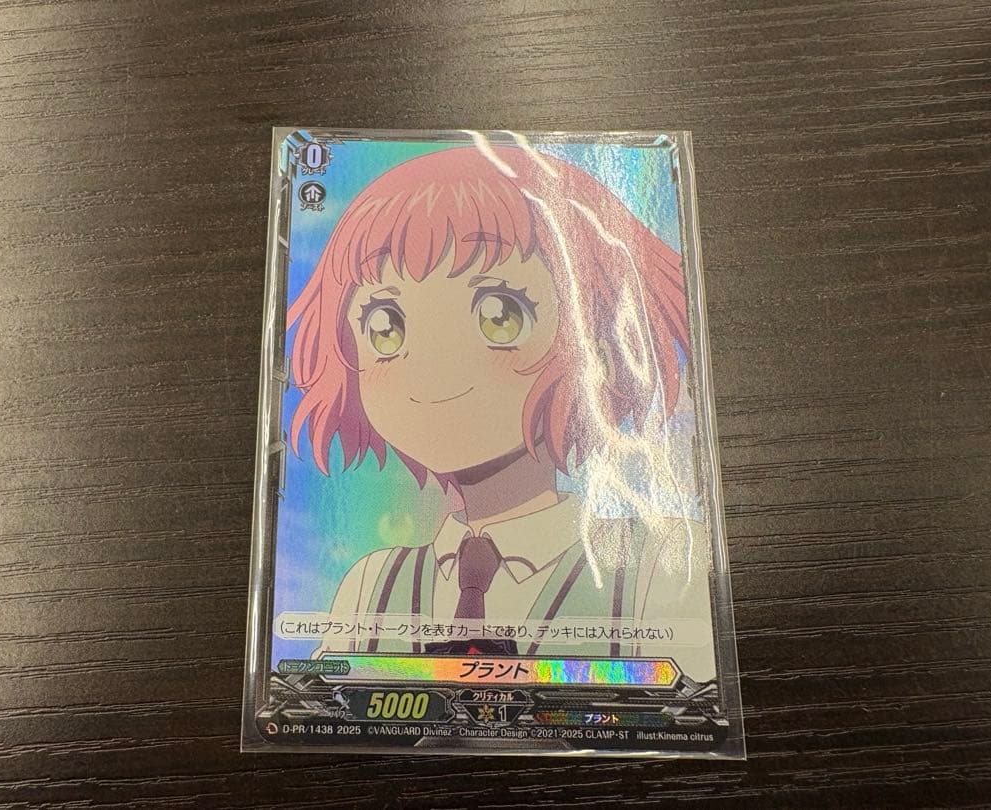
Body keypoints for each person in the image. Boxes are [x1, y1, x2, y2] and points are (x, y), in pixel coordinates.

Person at [287, 144, 716, 682]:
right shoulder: (370, 587)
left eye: (501, 315)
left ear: (601, 337)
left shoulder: (659, 565)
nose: (434, 372)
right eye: (385, 326)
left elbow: (687, 708)